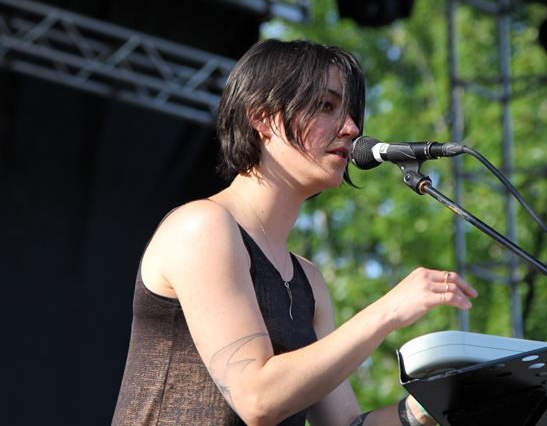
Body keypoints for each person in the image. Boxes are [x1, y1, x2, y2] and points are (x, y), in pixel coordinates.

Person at [111, 38, 478, 426]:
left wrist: (428, 406)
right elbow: (257, 398)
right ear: (262, 118)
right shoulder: (202, 226)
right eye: (326, 106)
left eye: (351, 112)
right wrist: (388, 310)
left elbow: (345, 424)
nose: (352, 128)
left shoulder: (309, 282)